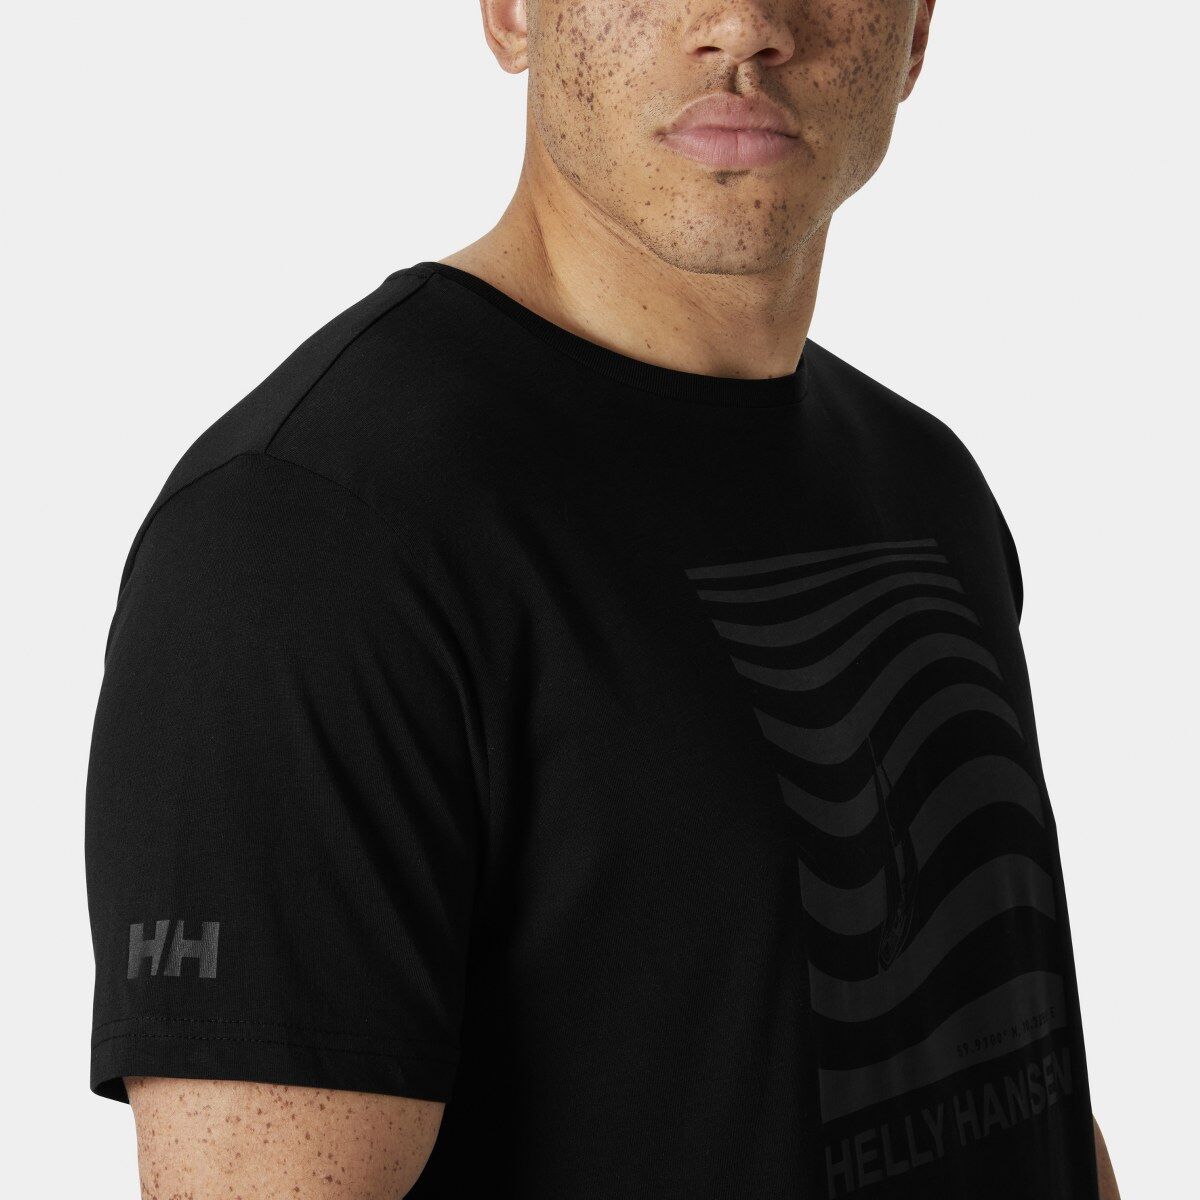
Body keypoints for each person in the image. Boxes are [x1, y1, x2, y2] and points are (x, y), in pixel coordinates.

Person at [84, 2, 1121, 1197]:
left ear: (917, 32)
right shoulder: (307, 537)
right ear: (512, 13)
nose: (745, 24)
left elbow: (1015, 1077)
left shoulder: (922, 485)